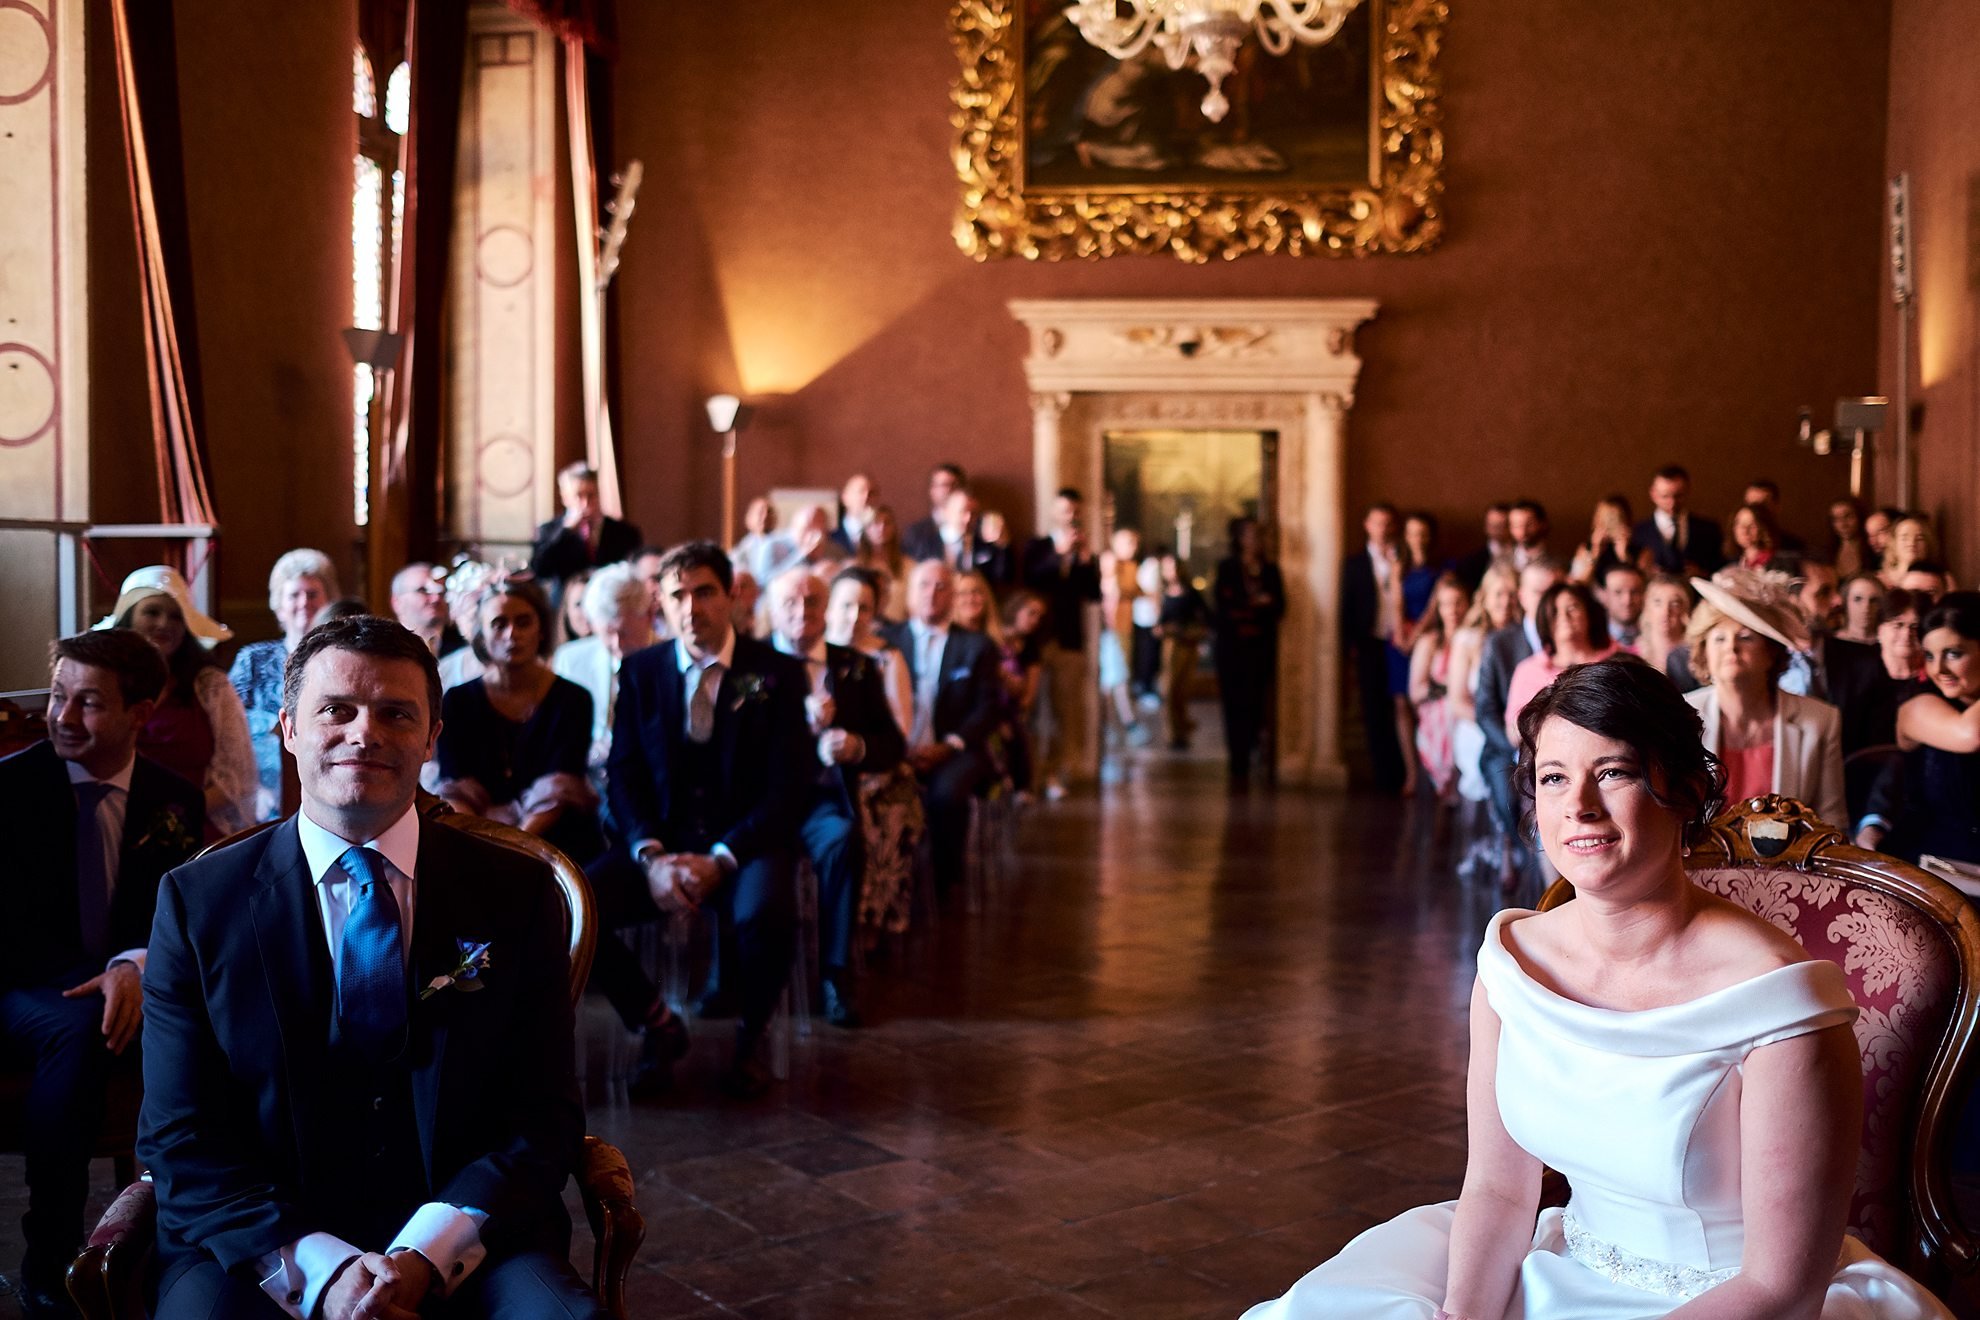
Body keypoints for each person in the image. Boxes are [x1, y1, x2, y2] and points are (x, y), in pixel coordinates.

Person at [1242, 657, 1949, 1320]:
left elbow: (1782, 1286)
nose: (1577, 806)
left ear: (1689, 791)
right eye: (1553, 777)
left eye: (1612, 773)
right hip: (1558, 1270)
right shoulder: (1512, 966)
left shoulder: (1778, 1001)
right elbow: (1497, 1188)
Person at [140, 615, 602, 1320]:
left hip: (473, 1235)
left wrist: (422, 1253)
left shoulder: (517, 891)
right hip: (256, 1244)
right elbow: (179, 1132)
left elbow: (544, 1114)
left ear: (431, 738)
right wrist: (325, 1268)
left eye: (395, 713)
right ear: (289, 728)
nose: (366, 732)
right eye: (337, 710)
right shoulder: (199, 903)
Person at [0, 631, 203, 1318]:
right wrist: (106, 976)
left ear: (141, 714)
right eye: (58, 695)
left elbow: (180, 913)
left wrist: (134, 963)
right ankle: (51, 1255)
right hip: (19, 986)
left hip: (120, 990)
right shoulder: (11, 788)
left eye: (88, 703)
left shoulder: (174, 799)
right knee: (81, 1026)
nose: (62, 716)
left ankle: (187, 1244)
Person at [599, 542, 810, 1099]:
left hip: (747, 844)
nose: (691, 608)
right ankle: (656, 1023)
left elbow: (789, 787)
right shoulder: (642, 671)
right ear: (661, 605)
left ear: (733, 595)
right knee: (574, 905)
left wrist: (722, 856)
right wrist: (649, 855)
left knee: (767, 913)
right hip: (661, 844)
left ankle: (752, 1038)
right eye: (677, 595)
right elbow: (622, 774)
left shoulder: (778, 674)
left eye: (704, 592)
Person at [766, 569, 905, 1028]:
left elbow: (892, 743)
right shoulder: (755, 665)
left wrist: (857, 746)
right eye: (790, 602)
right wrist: (799, 732)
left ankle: (835, 974)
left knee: (844, 836)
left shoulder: (856, 666)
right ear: (773, 609)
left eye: (811, 602)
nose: (801, 611)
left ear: (825, 609)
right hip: (764, 804)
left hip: (822, 801)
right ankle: (734, 975)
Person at [435, 578, 601, 865]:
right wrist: (487, 845)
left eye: (524, 622)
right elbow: (455, 787)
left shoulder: (573, 698)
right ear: (482, 636)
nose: (512, 634)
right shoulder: (457, 701)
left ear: (541, 631)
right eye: (499, 624)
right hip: (474, 837)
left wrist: (517, 846)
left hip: (554, 838)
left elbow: (560, 788)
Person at [1683, 568, 1847, 828]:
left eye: (1746, 637)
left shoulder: (1820, 720)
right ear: (1704, 653)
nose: (1731, 647)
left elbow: (1832, 821)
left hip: (1791, 866)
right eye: (1719, 638)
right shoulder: (1678, 717)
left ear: (1772, 652)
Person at [106, 566, 257, 839]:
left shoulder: (210, 686)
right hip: (114, 823)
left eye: (176, 617)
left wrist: (171, 819)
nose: (164, 624)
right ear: (129, 619)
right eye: (152, 612)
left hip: (194, 825)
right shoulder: (104, 682)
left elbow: (236, 779)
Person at [881, 560, 1001, 893]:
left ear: (952, 596)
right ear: (909, 593)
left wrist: (948, 745)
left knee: (945, 797)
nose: (932, 593)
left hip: (955, 750)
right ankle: (889, 884)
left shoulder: (976, 646)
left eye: (941, 586)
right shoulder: (885, 641)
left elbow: (987, 709)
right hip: (895, 749)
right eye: (924, 585)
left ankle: (942, 884)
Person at [824, 567, 926, 936]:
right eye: (846, 605)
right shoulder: (809, 653)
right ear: (829, 607)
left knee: (879, 808)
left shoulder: (883, 658)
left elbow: (898, 727)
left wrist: (863, 753)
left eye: (864, 608)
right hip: (830, 768)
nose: (854, 616)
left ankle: (873, 915)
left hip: (877, 765)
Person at [1865, 593, 1980, 864]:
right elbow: (1971, 735)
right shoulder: (1916, 704)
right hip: (1931, 865)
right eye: (1929, 655)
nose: (1938, 669)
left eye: (1953, 654)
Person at [230, 548, 339, 821]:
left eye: (313, 594)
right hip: (257, 799)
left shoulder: (341, 663)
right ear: (279, 605)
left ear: (329, 601)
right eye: (294, 595)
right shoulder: (252, 659)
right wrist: (252, 790)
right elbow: (228, 733)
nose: (304, 602)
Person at [1474, 560, 1566, 880]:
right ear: (1523, 596)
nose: (1548, 601)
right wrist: (1518, 748)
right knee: (1509, 791)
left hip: (1565, 746)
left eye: (1553, 592)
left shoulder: (1570, 638)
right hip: (1507, 745)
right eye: (1539, 592)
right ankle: (1529, 860)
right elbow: (1484, 709)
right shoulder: (1500, 643)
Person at [551, 564, 656, 820]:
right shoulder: (571, 659)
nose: (617, 644)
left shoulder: (667, 661)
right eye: (608, 633)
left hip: (648, 788)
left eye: (625, 632)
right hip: (585, 785)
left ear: (650, 616)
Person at [1021, 488, 1103, 799]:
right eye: (1065, 510)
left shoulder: (1084, 551)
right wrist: (1059, 555)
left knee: (1063, 712)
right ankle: (1031, 774)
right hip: (1038, 640)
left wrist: (1083, 561)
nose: (1070, 516)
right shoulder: (1037, 546)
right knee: (1033, 710)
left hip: (1070, 641)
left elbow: (1094, 595)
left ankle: (1055, 773)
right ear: (1055, 512)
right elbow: (1031, 579)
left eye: (1075, 511)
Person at [1833, 588, 1929, 832]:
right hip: (1854, 781)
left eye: (1915, 627)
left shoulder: (1933, 683)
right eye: (1897, 624)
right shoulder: (1853, 674)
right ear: (1880, 630)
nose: (1906, 634)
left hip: (1915, 784)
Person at [1216, 517, 1287, 789]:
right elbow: (1224, 605)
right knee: (1234, 705)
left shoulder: (1270, 570)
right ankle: (1238, 760)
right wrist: (1255, 603)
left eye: (1260, 535)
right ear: (1239, 539)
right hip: (1232, 650)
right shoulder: (1227, 568)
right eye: (1250, 535)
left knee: (1257, 704)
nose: (1256, 540)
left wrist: (1252, 605)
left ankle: (1257, 750)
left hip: (1260, 650)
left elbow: (1279, 607)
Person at [1341, 505, 1407, 793]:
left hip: (1400, 644)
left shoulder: (1403, 560)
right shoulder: (1353, 564)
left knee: (1401, 707)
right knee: (1373, 710)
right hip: (1369, 643)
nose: (1383, 528)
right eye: (1378, 523)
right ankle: (1384, 778)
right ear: (1367, 525)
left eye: (1388, 523)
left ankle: (1406, 772)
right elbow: (1346, 609)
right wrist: (1348, 649)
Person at [1502, 582, 1618, 736]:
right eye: (1555, 612)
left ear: (1589, 612)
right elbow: (1513, 733)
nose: (1564, 617)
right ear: (1545, 620)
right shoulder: (1528, 670)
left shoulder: (1617, 660)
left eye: (1572, 607)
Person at [529, 462, 641, 608]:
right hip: (565, 602)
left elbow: (631, 572)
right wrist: (566, 532)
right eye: (578, 496)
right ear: (565, 497)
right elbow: (540, 570)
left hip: (610, 602)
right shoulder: (549, 530)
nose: (586, 503)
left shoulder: (625, 532)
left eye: (591, 495)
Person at [1408, 574, 1472, 800]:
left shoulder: (1475, 641)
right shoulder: (1429, 642)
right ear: (1438, 608)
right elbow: (1415, 692)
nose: (1452, 610)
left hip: (1466, 713)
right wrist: (1448, 688)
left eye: (1458, 603)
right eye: (1446, 604)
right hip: (1436, 716)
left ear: (1468, 604)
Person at [1154, 552, 1212, 751]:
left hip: (1188, 644)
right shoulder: (1164, 593)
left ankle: (1182, 729)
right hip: (1172, 646)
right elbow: (1161, 621)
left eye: (1173, 567)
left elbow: (1206, 617)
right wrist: (1163, 629)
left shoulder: (1190, 593)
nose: (1170, 571)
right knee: (1169, 689)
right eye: (1167, 568)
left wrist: (1193, 631)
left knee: (1182, 690)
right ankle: (1173, 732)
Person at [1628, 463, 1724, 576]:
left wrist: (1703, 574)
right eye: (1665, 496)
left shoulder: (1709, 529)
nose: (1672, 503)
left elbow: (1721, 570)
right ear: (1653, 494)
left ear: (1687, 491)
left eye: (1678, 496)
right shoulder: (1638, 532)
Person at [1099, 526, 1146, 747]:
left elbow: (1136, 590)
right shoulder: (1111, 562)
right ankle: (1123, 724)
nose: (1133, 548)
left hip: (1124, 628)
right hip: (1112, 631)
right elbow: (1111, 594)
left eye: (1135, 543)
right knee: (1114, 680)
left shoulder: (1130, 566)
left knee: (1118, 678)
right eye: (1128, 542)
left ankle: (1120, 724)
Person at [998, 590, 1048, 788]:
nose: (1035, 620)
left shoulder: (1031, 648)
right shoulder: (995, 637)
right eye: (1031, 613)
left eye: (1039, 617)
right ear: (1016, 610)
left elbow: (1029, 693)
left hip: (1012, 708)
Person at [389, 562, 465, 657]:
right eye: (423, 590)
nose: (436, 598)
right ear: (397, 602)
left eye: (441, 591)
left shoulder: (465, 647)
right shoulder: (383, 648)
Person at [855, 504, 910, 622]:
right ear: (865, 529)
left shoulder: (909, 566)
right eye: (875, 523)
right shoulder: (855, 567)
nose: (881, 527)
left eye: (887, 523)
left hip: (897, 628)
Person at [901, 463, 965, 563]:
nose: (949, 490)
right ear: (932, 491)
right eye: (944, 485)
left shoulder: (978, 529)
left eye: (954, 485)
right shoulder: (916, 533)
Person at [1635, 573, 1692, 685]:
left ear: (1685, 609)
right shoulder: (1633, 655)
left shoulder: (1695, 655)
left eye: (1674, 603)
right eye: (1657, 602)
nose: (1665, 611)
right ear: (1646, 607)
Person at [1567, 494, 1633, 586]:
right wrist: (1595, 551)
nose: (1608, 525)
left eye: (1614, 519)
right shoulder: (1586, 550)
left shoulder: (1640, 552)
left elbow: (1637, 585)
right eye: (1604, 519)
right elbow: (1577, 586)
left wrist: (1623, 556)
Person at [729, 496, 790, 587]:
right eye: (760, 513)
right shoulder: (741, 551)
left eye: (769, 512)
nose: (765, 517)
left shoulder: (785, 544)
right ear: (749, 519)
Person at [1454, 503, 1512, 591]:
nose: (1498, 530)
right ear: (1486, 527)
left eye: (1503, 525)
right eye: (1493, 525)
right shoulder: (1472, 562)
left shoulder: (1524, 555)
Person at [1725, 501, 1788, 573]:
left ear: (1764, 528)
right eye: (1739, 524)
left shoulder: (1780, 565)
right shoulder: (1732, 568)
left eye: (1752, 525)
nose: (1745, 530)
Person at [1595, 561, 1645, 651]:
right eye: (1618, 592)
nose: (1627, 601)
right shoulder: (1591, 638)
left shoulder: (1656, 638)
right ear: (1605, 596)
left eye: (1634, 592)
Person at [1880, 515, 1940, 588]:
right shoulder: (1880, 581)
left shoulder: (1941, 579)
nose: (1911, 543)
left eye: (1919, 538)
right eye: (1904, 538)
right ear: (1894, 543)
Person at [827, 472, 876, 556]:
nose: (866, 497)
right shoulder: (830, 534)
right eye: (861, 492)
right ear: (845, 498)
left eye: (871, 493)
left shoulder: (884, 534)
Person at [1828, 497, 1870, 578]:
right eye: (1836, 519)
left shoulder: (1871, 550)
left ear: (1860, 517)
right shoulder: (1827, 554)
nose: (1842, 524)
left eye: (1848, 516)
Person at [1839, 571, 1884, 643]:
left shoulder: (1887, 644)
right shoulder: (1829, 643)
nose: (1866, 607)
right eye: (1858, 599)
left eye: (1873, 601)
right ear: (1845, 603)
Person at [1505, 499, 1549, 570]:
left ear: (1542, 524)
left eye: (1529, 524)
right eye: (1517, 525)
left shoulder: (1558, 562)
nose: (1523, 531)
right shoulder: (1502, 560)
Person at [558, 567, 594, 646]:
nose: (586, 611)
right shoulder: (561, 656)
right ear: (567, 611)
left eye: (593, 603)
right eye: (579, 604)